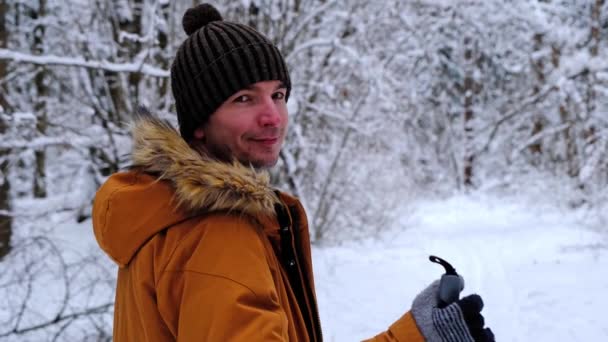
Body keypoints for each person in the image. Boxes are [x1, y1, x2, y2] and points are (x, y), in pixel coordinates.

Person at [92, 3, 494, 341]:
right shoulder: (216, 235)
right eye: (244, 98)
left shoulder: (163, 213)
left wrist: (415, 334)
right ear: (199, 122)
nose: (273, 117)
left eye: (278, 95)